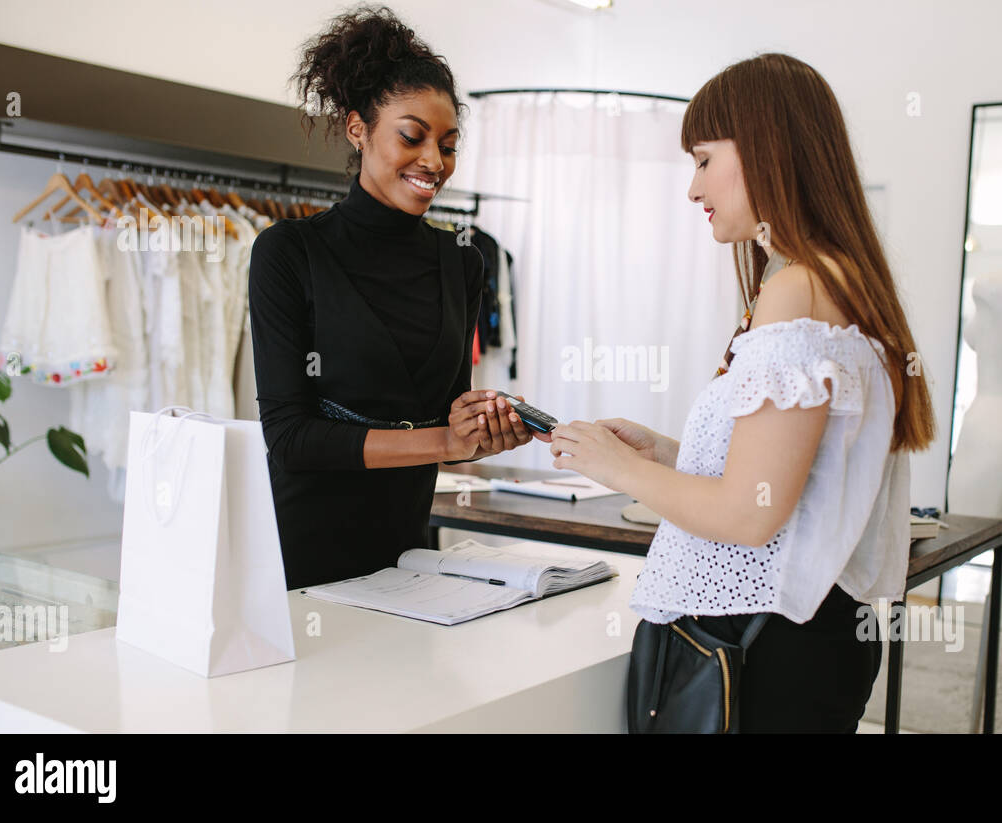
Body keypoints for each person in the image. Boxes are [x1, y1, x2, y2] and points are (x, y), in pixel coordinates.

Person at [548, 53, 936, 733]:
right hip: (819, 637)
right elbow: (792, 476)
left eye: (703, 159)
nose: (693, 189)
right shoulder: (842, 280)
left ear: (765, 148)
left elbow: (749, 515)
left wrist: (617, 469)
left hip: (769, 647)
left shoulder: (796, 290)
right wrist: (666, 452)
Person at [248, 6, 543, 590]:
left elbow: (448, 421)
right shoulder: (288, 253)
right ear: (358, 129)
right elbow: (290, 438)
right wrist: (445, 440)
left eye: (449, 145)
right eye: (413, 136)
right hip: (304, 558)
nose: (434, 162)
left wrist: (481, 431)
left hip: (411, 554)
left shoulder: (462, 260)